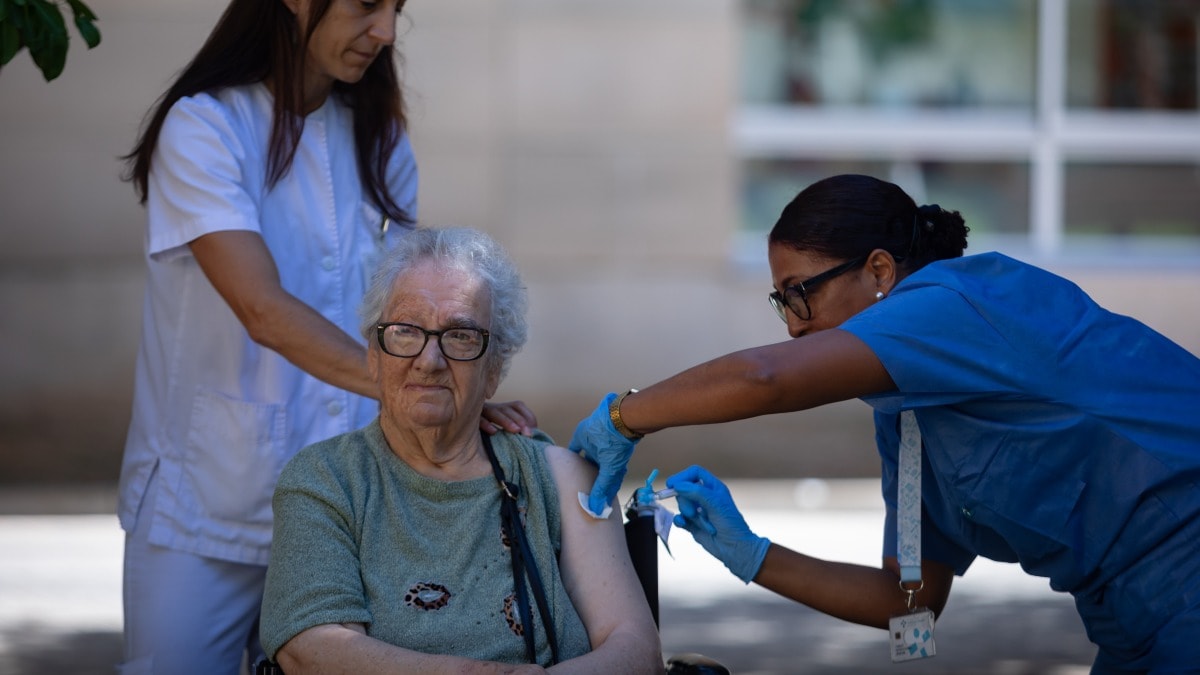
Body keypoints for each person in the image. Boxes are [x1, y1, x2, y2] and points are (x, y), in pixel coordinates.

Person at [570, 174, 1200, 672]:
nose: (791, 324)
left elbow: (769, 376)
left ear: (879, 271)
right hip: (1126, 622)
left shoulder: (954, 301)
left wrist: (625, 417)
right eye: (779, 303)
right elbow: (912, 608)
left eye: (799, 293)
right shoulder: (905, 420)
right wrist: (752, 554)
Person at [117, 1, 535, 672]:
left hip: (346, 503)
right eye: (367, 5)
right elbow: (263, 308)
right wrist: (427, 387)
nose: (387, 31)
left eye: (398, 9)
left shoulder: (378, 137)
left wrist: (444, 394)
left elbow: (409, 312)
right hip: (205, 505)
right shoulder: (204, 127)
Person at [259, 226, 663, 673]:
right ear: (373, 355)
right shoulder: (325, 480)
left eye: (461, 337)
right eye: (405, 332)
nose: (429, 360)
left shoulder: (560, 478)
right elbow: (313, 649)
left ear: (494, 371)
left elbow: (635, 651)